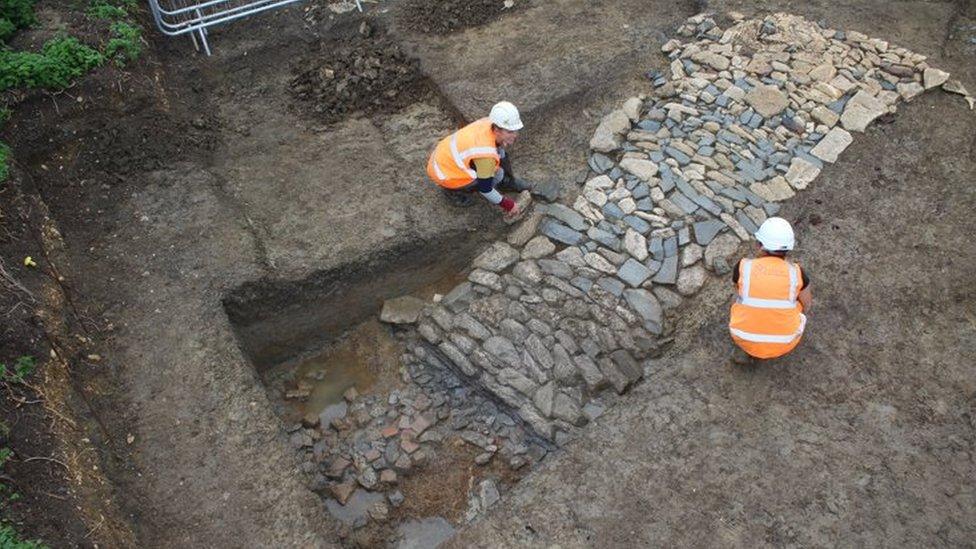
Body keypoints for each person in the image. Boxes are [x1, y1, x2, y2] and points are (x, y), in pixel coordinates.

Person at [426, 101, 534, 221]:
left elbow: (501, 153)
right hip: (445, 172)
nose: (515, 135)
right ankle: (453, 192)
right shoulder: (485, 155)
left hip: (447, 156)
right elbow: (485, 189)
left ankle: (507, 182)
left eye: (515, 130)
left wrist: (508, 178)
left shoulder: (490, 122)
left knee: (497, 170)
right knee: (485, 180)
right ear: (497, 130)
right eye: (510, 132)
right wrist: (509, 205)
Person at [729, 217, 812, 363]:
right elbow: (807, 305)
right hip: (785, 342)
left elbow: (739, 291)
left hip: (742, 336)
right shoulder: (797, 273)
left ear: (760, 245)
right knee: (796, 300)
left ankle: (746, 350)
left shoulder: (743, 267)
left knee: (742, 299)